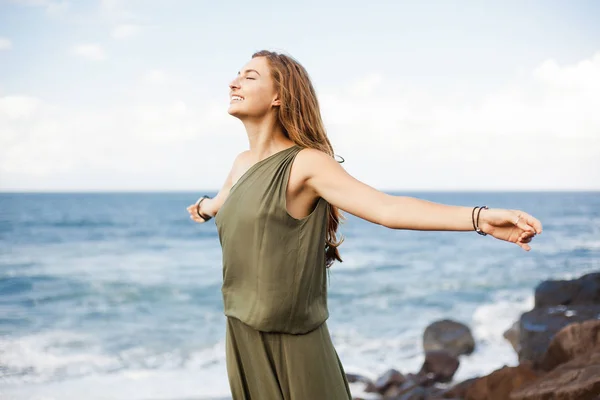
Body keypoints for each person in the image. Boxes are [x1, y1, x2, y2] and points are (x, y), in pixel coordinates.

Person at [186, 50, 543, 400]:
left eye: (250, 76)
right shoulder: (241, 164)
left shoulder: (306, 163)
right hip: (241, 333)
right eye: (237, 74)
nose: (233, 82)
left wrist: (480, 218)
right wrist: (203, 208)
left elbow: (387, 208)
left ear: (280, 96)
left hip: (292, 344)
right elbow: (223, 202)